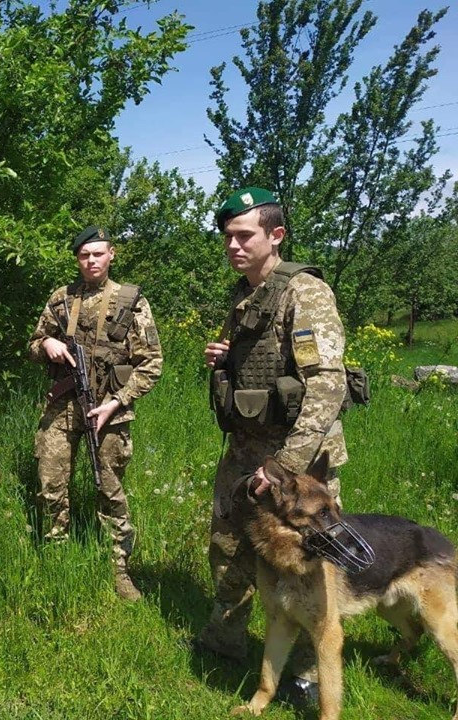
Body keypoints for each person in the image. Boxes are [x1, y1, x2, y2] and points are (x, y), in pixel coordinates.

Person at [195, 187, 348, 703]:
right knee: (228, 545)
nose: (233, 246)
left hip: (297, 464)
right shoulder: (243, 295)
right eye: (227, 237)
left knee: (309, 560)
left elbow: (327, 383)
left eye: (244, 236)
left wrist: (284, 464)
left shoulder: (304, 293)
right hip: (244, 449)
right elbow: (258, 365)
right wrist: (223, 356)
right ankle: (225, 640)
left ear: (275, 235)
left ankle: (305, 670)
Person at [28, 225, 163, 601]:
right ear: (77, 259)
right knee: (51, 485)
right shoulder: (61, 298)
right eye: (84, 255)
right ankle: (57, 553)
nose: (91, 261)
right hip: (61, 409)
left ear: (111, 255)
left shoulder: (131, 301)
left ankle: (119, 568)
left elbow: (151, 363)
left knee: (110, 490)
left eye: (98, 254)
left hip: (110, 411)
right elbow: (34, 344)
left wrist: (118, 401)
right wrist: (49, 343)